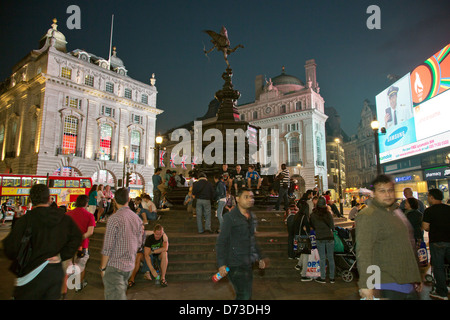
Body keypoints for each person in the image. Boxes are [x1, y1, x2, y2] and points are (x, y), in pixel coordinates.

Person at [3, 184, 82, 300]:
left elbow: (10, 249)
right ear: (49, 198)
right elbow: (77, 237)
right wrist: (61, 256)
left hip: (30, 274)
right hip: (54, 273)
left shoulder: (25, 221)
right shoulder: (64, 218)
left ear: (31, 200)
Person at [356, 174, 422, 300]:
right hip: (386, 284)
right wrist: (367, 284)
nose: (387, 194)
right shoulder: (369, 215)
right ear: (374, 193)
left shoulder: (397, 212)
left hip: (408, 283)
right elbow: (364, 251)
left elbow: (408, 247)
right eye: (382, 191)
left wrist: (416, 277)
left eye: (390, 190)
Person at [215, 188, 269, 300]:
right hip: (234, 264)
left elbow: (252, 239)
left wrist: (260, 257)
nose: (250, 199)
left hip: (248, 263)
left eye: (252, 197)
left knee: (246, 294)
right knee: (243, 294)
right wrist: (221, 264)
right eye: (246, 197)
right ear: (238, 199)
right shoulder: (230, 218)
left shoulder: (251, 217)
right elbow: (221, 241)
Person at [100, 187, 144, 300]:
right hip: (129, 266)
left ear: (114, 200)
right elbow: (139, 244)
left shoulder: (114, 219)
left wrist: (103, 268)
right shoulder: (137, 219)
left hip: (115, 266)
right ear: (128, 199)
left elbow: (107, 247)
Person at [64, 194, 96, 296]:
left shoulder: (68, 214)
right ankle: (78, 286)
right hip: (83, 245)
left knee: (67, 265)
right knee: (81, 266)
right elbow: (90, 232)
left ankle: (64, 287)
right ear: (86, 203)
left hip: (69, 245)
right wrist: (80, 238)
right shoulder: (89, 215)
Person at [422, 188, 450, 300]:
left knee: (438, 267)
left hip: (437, 241)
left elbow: (425, 227)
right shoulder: (448, 209)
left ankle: (442, 292)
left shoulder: (429, 211)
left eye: (428, 196)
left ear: (432, 197)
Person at [310, 197, 335, 284]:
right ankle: (332, 278)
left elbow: (312, 225)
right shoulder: (328, 214)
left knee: (322, 258)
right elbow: (332, 226)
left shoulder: (313, 215)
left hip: (320, 237)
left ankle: (323, 277)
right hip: (329, 237)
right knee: (331, 258)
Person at [293, 198, 312, 281]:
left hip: (298, 236)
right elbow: (307, 228)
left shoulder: (297, 215)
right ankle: (304, 275)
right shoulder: (304, 217)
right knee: (306, 256)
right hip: (304, 237)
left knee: (303, 253)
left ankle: (298, 265)